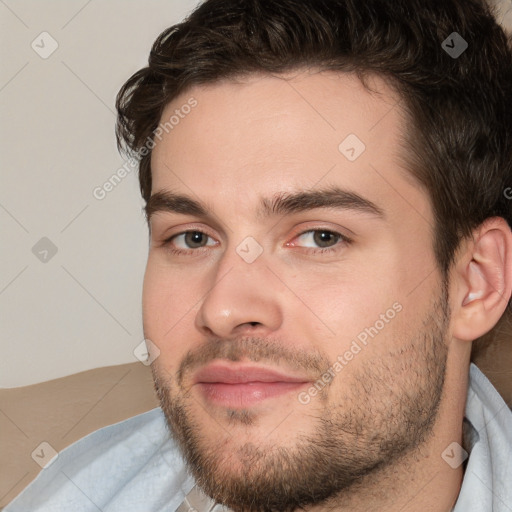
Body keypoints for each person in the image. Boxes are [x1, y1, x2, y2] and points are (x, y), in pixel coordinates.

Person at [6, 0, 512, 510]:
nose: (223, 309)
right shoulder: (59, 488)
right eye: (193, 237)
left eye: (320, 237)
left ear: (476, 281)